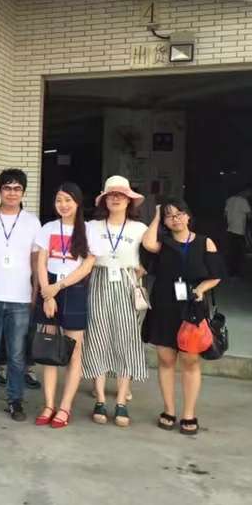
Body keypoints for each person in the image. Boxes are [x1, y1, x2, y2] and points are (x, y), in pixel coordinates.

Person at [142, 198, 225, 435]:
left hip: (192, 307)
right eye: (169, 215)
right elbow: (147, 243)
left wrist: (200, 289)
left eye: (179, 213)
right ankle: (169, 410)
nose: (175, 219)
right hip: (164, 306)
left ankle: (189, 413)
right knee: (166, 359)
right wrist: (157, 215)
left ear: (188, 216)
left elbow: (216, 275)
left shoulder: (204, 242)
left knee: (190, 361)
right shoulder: (164, 243)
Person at [0, 169, 41, 421]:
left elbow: (36, 261)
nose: (12, 193)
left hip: (20, 299)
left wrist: (35, 292)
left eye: (17, 189)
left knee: (17, 356)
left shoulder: (32, 222)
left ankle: (15, 400)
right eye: (7, 188)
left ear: (23, 192)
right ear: (0, 191)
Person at [82, 176, 149, 427]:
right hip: (98, 281)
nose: (116, 198)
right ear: (104, 200)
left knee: (127, 338)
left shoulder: (139, 229)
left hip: (127, 283)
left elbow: (153, 255)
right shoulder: (92, 226)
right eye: (111, 195)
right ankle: (100, 398)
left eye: (121, 195)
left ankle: (121, 401)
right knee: (97, 336)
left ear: (129, 200)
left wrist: (140, 270)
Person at [33, 182, 95, 429]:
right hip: (49, 289)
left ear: (77, 203)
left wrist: (57, 288)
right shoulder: (48, 228)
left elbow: (87, 266)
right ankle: (49, 404)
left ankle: (65, 407)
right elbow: (41, 262)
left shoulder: (88, 230)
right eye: (59, 200)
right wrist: (47, 295)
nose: (63, 205)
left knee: (74, 351)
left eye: (68, 200)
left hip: (74, 289)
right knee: (49, 346)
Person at [224, 184, 252, 277]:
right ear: (246, 191)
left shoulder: (229, 200)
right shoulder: (243, 201)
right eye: (250, 192)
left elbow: (225, 215)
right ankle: (236, 273)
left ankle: (231, 272)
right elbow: (250, 216)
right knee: (238, 254)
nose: (250, 195)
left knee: (231, 252)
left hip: (230, 230)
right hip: (239, 231)